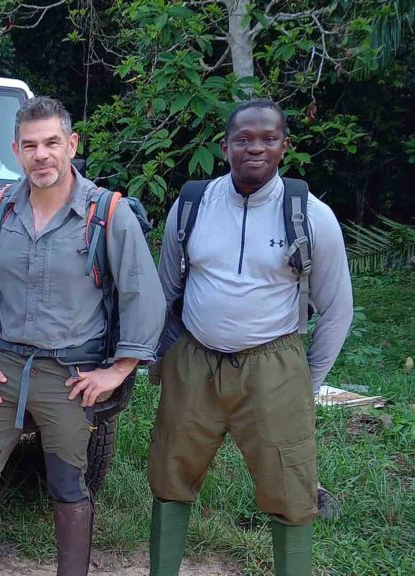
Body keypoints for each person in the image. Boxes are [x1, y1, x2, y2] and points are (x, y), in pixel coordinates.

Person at [0, 96, 165, 576]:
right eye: (30, 145)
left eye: (51, 143)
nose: (41, 155)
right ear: (15, 151)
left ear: (71, 144)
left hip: (69, 375)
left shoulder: (108, 213)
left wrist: (118, 370)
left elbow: (143, 296)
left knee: (67, 483)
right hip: (2, 370)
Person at [148, 100, 354, 576]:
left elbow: (337, 310)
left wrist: (306, 379)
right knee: (170, 471)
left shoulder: (311, 216)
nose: (255, 148)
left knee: (290, 484)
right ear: (225, 147)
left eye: (267, 138)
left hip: (273, 363)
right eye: (243, 139)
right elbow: (163, 292)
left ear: (285, 146)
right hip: (194, 359)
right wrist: (163, 356)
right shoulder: (193, 204)